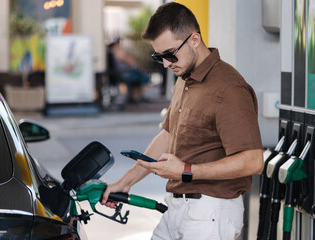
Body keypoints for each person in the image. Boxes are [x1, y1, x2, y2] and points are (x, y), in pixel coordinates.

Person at [102, 2, 264, 240]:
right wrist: (125, 182)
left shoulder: (229, 88)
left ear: (195, 40)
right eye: (159, 56)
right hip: (177, 207)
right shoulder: (184, 78)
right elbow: (168, 135)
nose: (166, 64)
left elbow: (253, 161)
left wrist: (185, 170)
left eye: (170, 54)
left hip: (211, 212)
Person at [108, 37, 150, 103]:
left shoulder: (115, 50)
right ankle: (137, 97)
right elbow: (130, 61)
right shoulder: (116, 50)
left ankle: (136, 97)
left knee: (142, 76)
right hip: (124, 73)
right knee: (144, 77)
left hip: (125, 72)